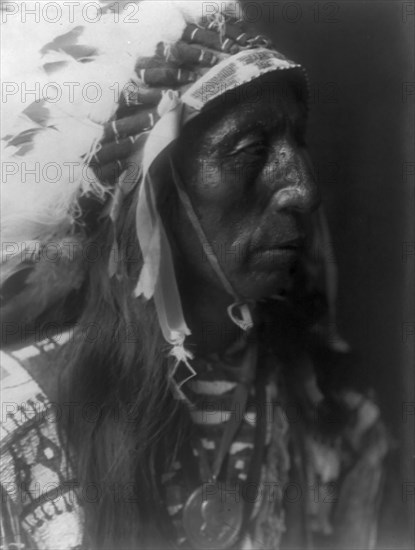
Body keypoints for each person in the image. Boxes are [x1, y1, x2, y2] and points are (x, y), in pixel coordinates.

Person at [1, 2, 390, 549]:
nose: (303, 188)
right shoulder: (14, 426)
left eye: (297, 140)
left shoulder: (336, 418)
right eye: (250, 149)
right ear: (152, 192)